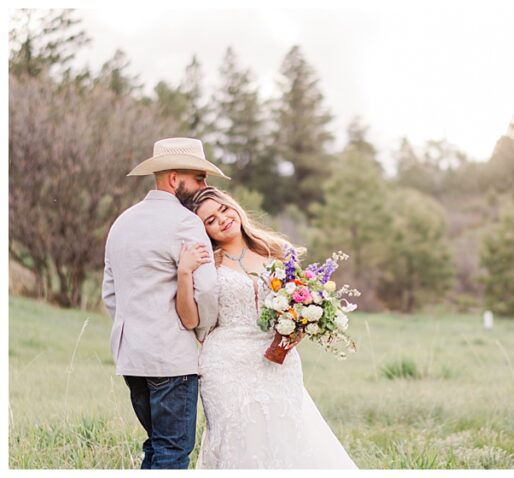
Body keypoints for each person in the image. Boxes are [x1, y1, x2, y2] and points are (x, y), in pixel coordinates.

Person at [177, 186, 358, 469]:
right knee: (236, 439)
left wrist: (301, 323)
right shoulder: (207, 264)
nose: (222, 219)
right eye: (210, 220)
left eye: (224, 209)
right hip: (225, 365)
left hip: (276, 361)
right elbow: (190, 320)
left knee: (285, 434)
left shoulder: (276, 252)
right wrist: (184, 272)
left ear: (234, 206)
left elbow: (298, 300)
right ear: (204, 231)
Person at [102, 137, 228, 468]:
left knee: (156, 446)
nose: (203, 186)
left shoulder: (122, 222)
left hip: (131, 357)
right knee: (173, 451)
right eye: (198, 178)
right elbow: (206, 290)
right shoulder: (187, 223)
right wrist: (201, 332)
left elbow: (110, 294)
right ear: (174, 179)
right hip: (172, 358)